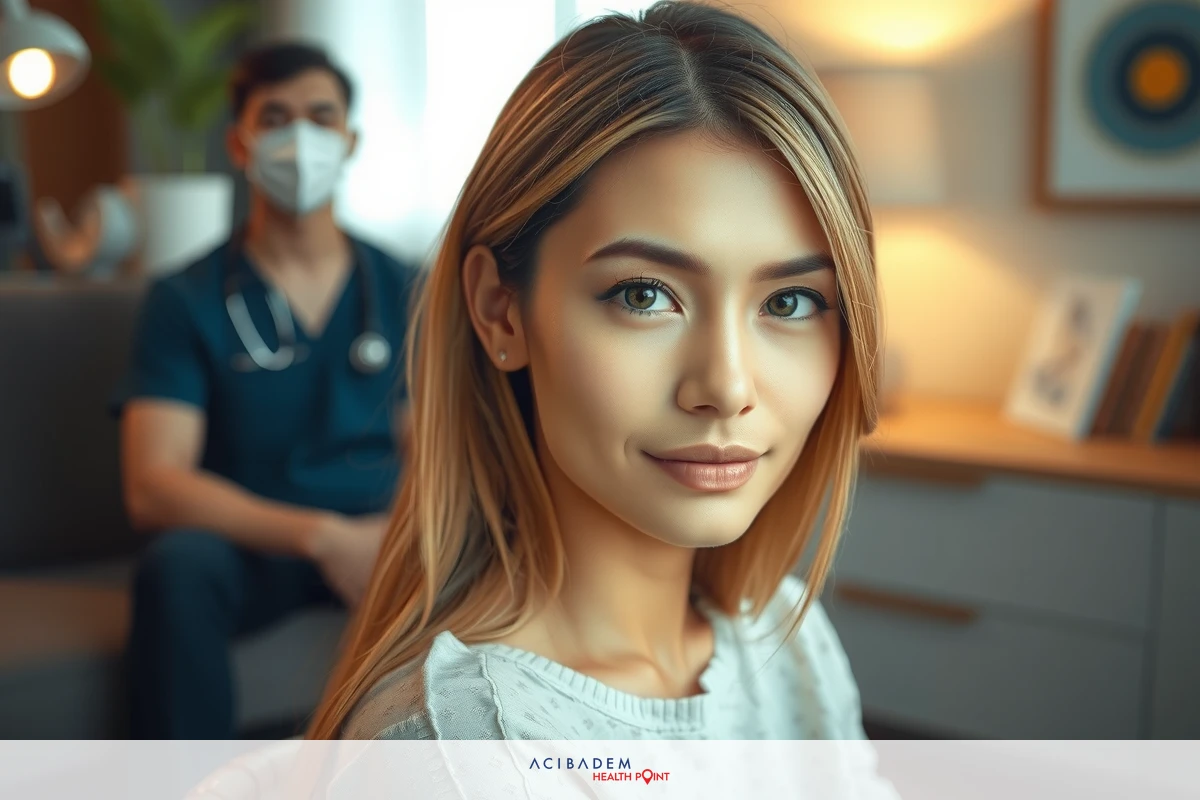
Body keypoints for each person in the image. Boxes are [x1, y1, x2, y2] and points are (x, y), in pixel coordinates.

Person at [312, 0, 880, 743]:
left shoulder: (789, 644)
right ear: (500, 312)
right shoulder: (453, 749)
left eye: (791, 301)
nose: (727, 387)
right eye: (644, 295)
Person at [118, 42, 419, 739]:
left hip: (385, 536)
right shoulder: (184, 299)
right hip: (255, 542)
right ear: (240, 141)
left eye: (321, 117)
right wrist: (321, 537)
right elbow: (154, 485)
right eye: (276, 118)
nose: (300, 140)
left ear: (350, 140)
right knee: (177, 568)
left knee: (498, 546)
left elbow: (438, 447)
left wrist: (397, 537)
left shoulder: (403, 287)